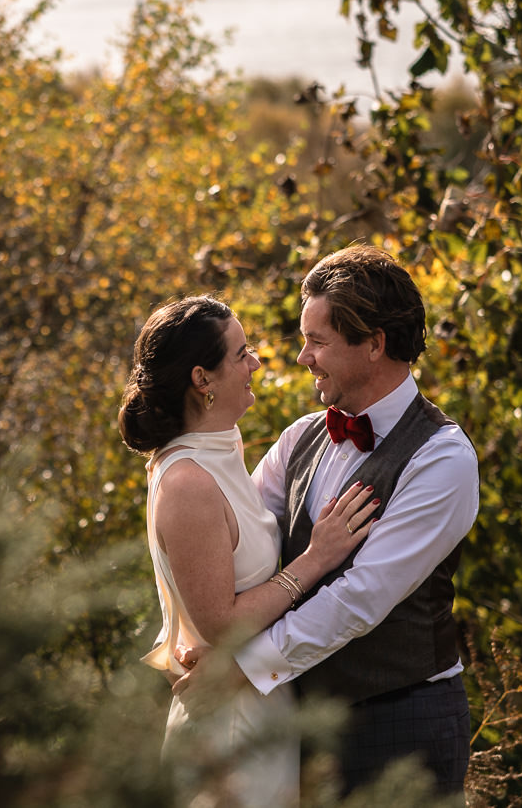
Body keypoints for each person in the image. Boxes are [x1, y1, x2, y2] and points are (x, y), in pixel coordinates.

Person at [175, 244, 481, 799]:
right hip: (299, 720)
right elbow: (241, 544)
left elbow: (360, 598)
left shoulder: (443, 459)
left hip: (402, 723)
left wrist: (243, 669)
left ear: (374, 344)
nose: (301, 357)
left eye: (317, 341)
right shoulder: (300, 438)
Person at [119, 295, 379, 807]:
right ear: (202, 380)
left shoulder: (222, 449)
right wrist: (316, 558)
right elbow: (220, 623)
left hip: (256, 705)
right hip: (228, 725)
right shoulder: (189, 481)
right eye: (241, 354)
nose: (256, 362)